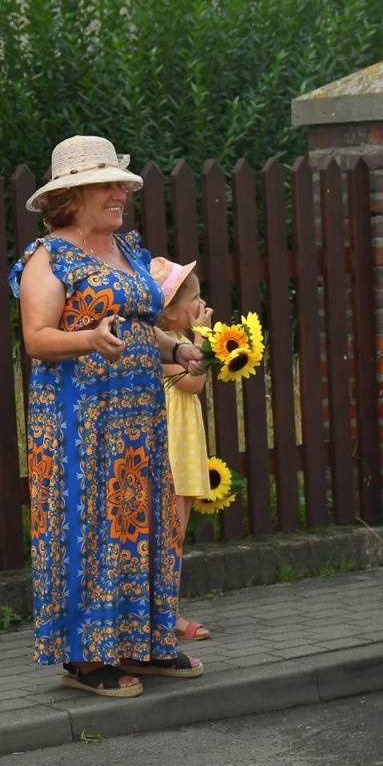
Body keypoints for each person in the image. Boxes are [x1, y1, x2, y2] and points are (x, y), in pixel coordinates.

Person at [9, 134, 205, 698]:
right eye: (108, 185)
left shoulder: (128, 250)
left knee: (142, 523)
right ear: (72, 196)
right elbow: (38, 338)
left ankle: (143, 643)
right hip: (80, 421)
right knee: (89, 524)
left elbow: (141, 324)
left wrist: (174, 350)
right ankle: (85, 658)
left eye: (121, 184)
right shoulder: (51, 256)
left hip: (139, 419)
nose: (121, 193)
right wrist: (88, 337)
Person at [150, 255, 213, 641]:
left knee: (177, 531)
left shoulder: (180, 341)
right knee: (169, 533)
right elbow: (193, 383)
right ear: (170, 314)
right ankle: (165, 614)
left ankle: (166, 610)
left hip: (185, 445)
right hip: (171, 448)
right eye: (193, 299)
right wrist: (203, 337)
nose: (201, 305)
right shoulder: (169, 347)